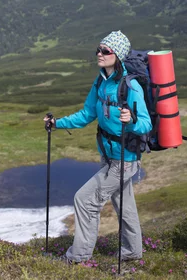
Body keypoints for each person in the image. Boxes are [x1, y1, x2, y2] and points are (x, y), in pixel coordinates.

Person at [43, 30, 152, 263]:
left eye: (106, 51)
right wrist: (57, 123)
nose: (99, 54)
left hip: (125, 158)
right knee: (124, 203)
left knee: (85, 200)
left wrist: (131, 121)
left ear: (118, 55)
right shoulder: (101, 81)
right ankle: (132, 251)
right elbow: (87, 114)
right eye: (98, 50)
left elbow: (146, 123)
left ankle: (78, 257)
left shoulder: (130, 87)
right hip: (108, 154)